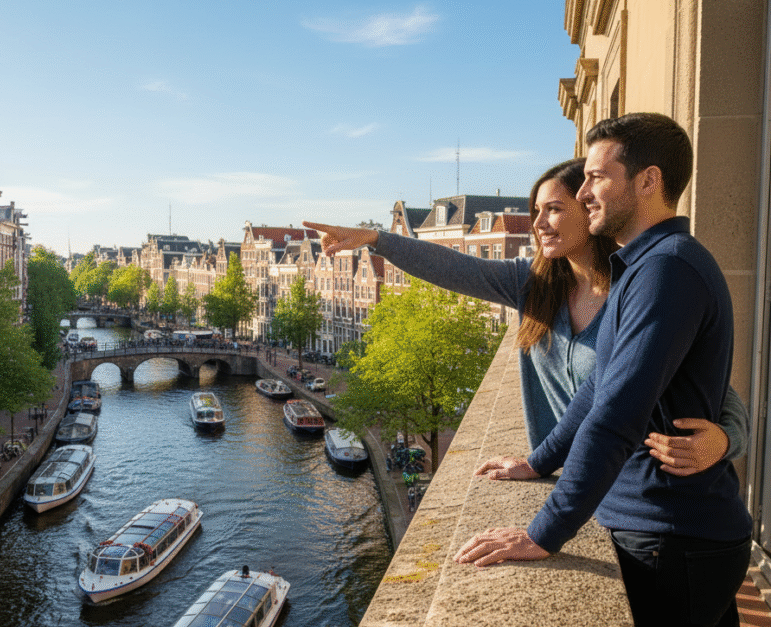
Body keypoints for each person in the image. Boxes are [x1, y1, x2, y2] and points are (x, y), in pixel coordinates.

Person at [453, 113, 752, 627]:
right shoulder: (643, 266)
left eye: (597, 177)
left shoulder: (667, 270)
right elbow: (595, 390)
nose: (584, 191)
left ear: (648, 181)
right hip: (677, 535)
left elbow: (616, 414)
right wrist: (539, 461)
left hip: (673, 539)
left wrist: (543, 532)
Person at [303, 157, 747, 472]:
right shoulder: (532, 287)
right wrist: (375, 239)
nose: (538, 223)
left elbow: (714, 388)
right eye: (536, 211)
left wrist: (726, 441)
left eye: (554, 209)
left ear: (591, 212)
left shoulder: (639, 289)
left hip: (639, 494)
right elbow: (454, 268)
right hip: (569, 484)